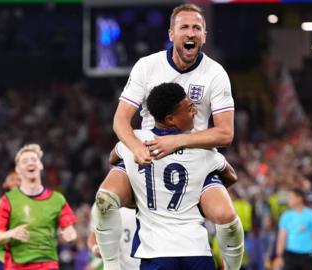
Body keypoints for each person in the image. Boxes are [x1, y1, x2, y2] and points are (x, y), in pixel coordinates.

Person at [94, 3, 243, 270]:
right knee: (105, 200)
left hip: (197, 158)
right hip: (149, 154)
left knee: (226, 216)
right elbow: (120, 120)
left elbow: (225, 132)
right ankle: (112, 266)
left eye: (197, 28)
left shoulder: (215, 73)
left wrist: (177, 141)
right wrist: (135, 148)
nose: (191, 33)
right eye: (184, 27)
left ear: (204, 36)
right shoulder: (147, 66)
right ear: (171, 34)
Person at [110, 82, 237, 269]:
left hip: (155, 252)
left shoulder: (134, 142)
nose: (194, 112)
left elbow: (113, 157)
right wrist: (201, 193)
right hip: (197, 251)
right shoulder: (202, 149)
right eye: (189, 109)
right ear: (171, 120)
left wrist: (137, 190)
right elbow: (231, 176)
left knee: (105, 198)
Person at [0, 143, 78, 270]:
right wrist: (12, 233)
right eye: (25, 161)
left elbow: (69, 230)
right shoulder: (8, 200)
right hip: (17, 266)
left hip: (48, 264)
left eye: (34, 159)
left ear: (40, 165)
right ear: (18, 169)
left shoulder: (57, 199)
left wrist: (70, 236)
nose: (30, 163)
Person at [273, 188, 312, 270]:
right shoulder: (285, 216)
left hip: (307, 255)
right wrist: (279, 256)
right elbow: (282, 237)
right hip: (290, 255)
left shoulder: (311, 215)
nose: (288, 200)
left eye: (291, 197)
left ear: (299, 199)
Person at [87, 206, 139, 270]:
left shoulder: (144, 202)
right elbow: (93, 237)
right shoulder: (100, 204)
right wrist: (95, 248)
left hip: (147, 264)